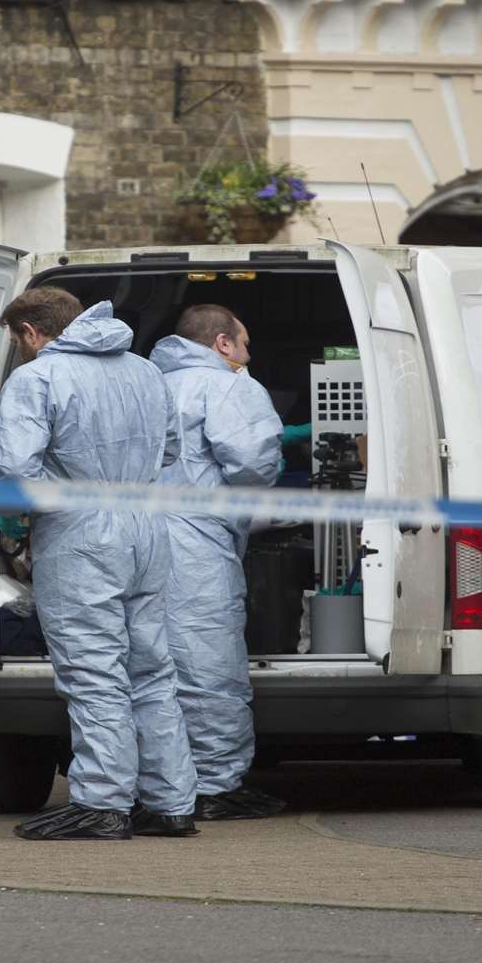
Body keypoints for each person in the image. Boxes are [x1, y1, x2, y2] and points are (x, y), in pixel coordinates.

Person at [0, 287, 199, 841]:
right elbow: (173, 452)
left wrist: (12, 526)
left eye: (20, 342)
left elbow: (14, 470)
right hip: (147, 527)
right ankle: (171, 801)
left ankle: (103, 801)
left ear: (32, 333)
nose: (22, 352)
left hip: (81, 533)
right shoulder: (144, 370)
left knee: (93, 670)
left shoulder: (38, 378)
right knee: (152, 669)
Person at [150, 305, 287, 820]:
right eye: (245, 345)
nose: (247, 356)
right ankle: (215, 784)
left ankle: (164, 782)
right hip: (196, 540)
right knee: (209, 661)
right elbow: (253, 464)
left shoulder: (145, 382)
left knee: (152, 663)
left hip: (133, 536)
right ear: (224, 344)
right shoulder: (229, 385)